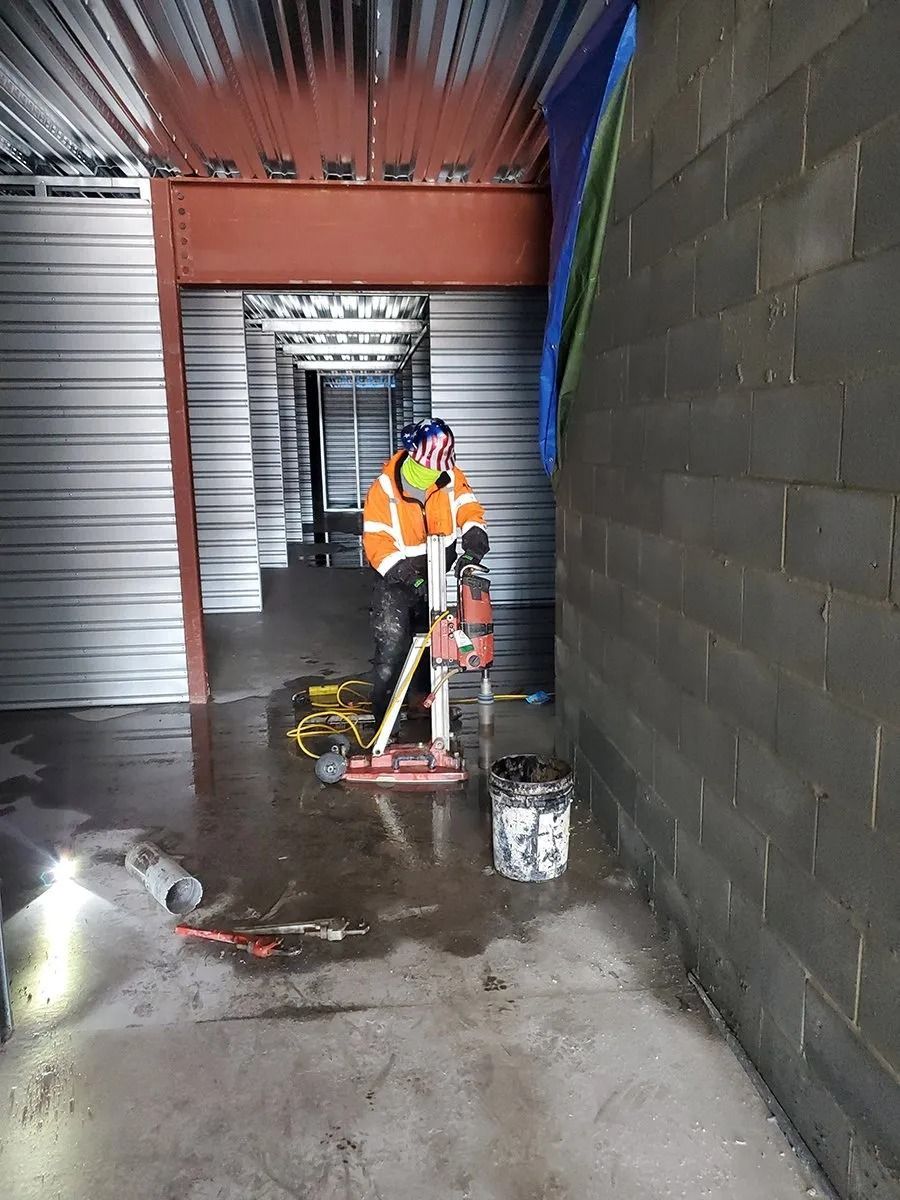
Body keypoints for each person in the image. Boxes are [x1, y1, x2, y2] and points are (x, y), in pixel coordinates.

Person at [362, 418, 489, 733]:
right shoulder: (385, 489)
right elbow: (376, 542)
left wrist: (473, 547)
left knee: (433, 642)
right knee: (393, 648)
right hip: (396, 577)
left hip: (435, 569)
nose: (436, 474)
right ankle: (384, 724)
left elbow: (469, 509)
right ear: (414, 458)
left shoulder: (450, 476)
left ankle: (422, 703)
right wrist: (408, 577)